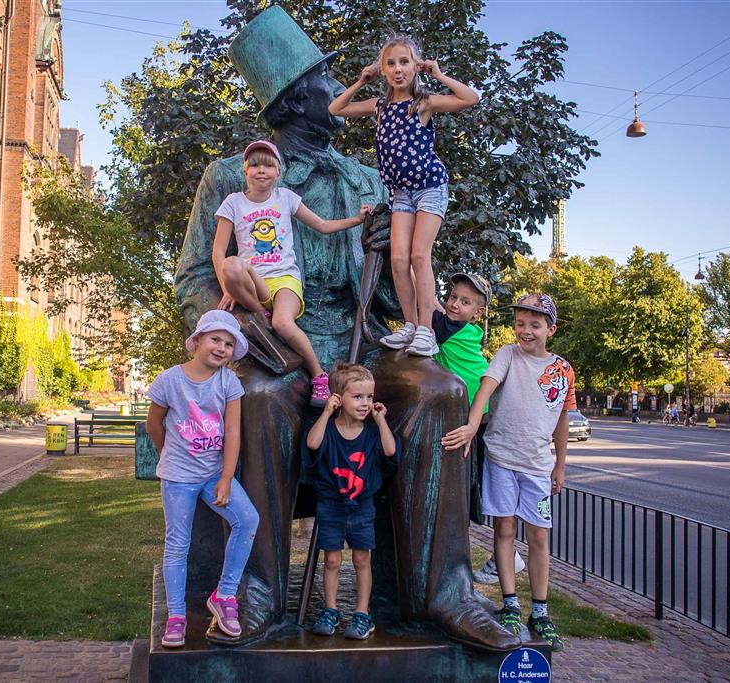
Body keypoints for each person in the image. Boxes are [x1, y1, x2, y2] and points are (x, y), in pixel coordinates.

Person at [176, 7, 519, 652]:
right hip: (274, 344)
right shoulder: (229, 177)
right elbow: (195, 277)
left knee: (439, 391)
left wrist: (391, 259)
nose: (338, 86)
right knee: (255, 398)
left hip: (364, 344)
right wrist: (228, 334)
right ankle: (255, 588)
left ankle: (442, 590)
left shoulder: (367, 179)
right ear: (293, 99)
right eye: (324, 78)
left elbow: (390, 295)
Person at [329, 34, 480, 357]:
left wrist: (438, 74)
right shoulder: (380, 106)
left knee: (418, 256)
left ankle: (426, 329)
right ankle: (410, 325)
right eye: (391, 63)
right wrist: (362, 80)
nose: (398, 69)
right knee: (398, 260)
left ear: (415, 66)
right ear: (382, 69)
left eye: (404, 62)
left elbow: (470, 98)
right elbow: (336, 107)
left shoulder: (423, 103)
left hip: (429, 187)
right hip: (401, 193)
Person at [443, 293, 576, 652]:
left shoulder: (562, 370)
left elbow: (562, 417)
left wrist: (560, 464)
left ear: (551, 329)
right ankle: (511, 603)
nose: (525, 331)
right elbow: (485, 388)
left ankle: (541, 611)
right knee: (504, 529)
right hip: (502, 459)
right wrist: (472, 426)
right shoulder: (506, 355)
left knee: (539, 537)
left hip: (537, 466)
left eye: (534, 325)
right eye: (520, 324)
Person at [214, 140, 371, 406]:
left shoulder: (285, 197)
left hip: (284, 279)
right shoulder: (233, 202)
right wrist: (228, 287)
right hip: (252, 283)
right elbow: (218, 252)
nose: (261, 170)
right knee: (230, 264)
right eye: (255, 165)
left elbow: (321, 225)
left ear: (278, 172)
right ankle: (260, 313)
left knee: (283, 323)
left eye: (268, 166)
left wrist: (356, 220)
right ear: (245, 171)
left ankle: (319, 376)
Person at [145, 310, 261, 649]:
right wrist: (169, 454)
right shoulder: (169, 381)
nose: (221, 348)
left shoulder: (229, 383)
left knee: (247, 519)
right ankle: (176, 616)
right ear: (196, 341)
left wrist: (226, 477)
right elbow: (154, 424)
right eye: (215, 339)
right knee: (177, 544)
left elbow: (233, 432)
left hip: (213, 475)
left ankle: (224, 595)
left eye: (229, 344)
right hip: (178, 478)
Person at [429, 272, 526, 584]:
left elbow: (425, 302)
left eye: (465, 302)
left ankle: (507, 556)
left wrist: (418, 259)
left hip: (483, 417)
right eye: (452, 297)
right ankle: (505, 554)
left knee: (485, 487)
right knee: (482, 485)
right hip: (482, 413)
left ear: (477, 313)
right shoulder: (461, 328)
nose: (454, 304)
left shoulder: (452, 330)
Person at [304, 364, 400, 640]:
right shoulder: (328, 429)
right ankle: (330, 609)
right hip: (331, 505)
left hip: (362, 506)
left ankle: (361, 613)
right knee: (332, 559)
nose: (365, 403)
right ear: (338, 398)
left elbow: (390, 450)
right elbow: (312, 444)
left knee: (361, 559)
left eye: (369, 397)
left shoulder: (371, 432)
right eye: (357, 397)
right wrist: (325, 412)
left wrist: (381, 420)